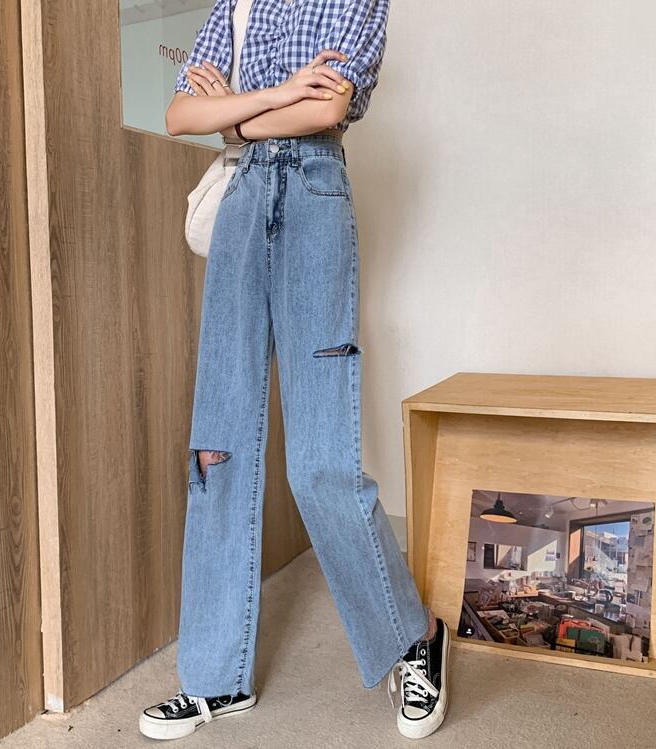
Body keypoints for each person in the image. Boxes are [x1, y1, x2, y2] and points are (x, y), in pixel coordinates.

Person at [139, 0, 450, 741]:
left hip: (315, 195)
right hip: (242, 201)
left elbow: (328, 109)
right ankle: (215, 678)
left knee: (319, 462)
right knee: (217, 449)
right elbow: (180, 114)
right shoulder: (236, 4)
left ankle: (415, 638)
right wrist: (278, 96)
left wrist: (236, 116)